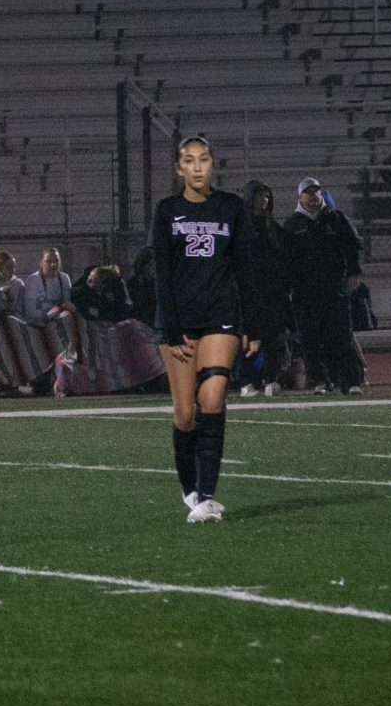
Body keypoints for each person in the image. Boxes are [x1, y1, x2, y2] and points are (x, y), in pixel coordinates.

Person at [150, 136, 261, 523]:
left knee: (212, 399)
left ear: (212, 164)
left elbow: (246, 270)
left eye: (204, 159)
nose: (198, 167)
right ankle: (191, 491)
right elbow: (161, 276)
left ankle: (208, 496)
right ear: (179, 168)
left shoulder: (231, 208)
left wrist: (252, 322)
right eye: (189, 161)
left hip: (221, 316)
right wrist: (171, 326)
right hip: (179, 321)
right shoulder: (167, 211)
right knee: (185, 414)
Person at [282, 176, 365, 395]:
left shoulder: (336, 219)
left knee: (341, 336)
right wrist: (288, 286)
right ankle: (320, 380)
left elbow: (353, 247)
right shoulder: (292, 225)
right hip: (305, 293)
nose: (313, 198)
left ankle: (350, 381)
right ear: (300, 196)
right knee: (310, 339)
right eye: (308, 193)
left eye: (316, 192)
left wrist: (354, 273)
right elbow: (286, 259)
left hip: (334, 289)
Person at [235, 180, 292, 397]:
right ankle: (246, 381)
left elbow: (284, 258)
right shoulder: (241, 226)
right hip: (250, 290)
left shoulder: (272, 227)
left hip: (272, 292)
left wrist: (284, 285)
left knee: (273, 336)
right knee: (248, 337)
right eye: (260, 195)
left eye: (267, 196)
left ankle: (272, 379)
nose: (264, 200)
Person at [20, 247, 72, 324]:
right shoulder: (33, 279)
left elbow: (67, 303)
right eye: (48, 261)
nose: (53, 264)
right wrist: (49, 315)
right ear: (41, 263)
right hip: (37, 321)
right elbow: (30, 311)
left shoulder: (64, 278)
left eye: (56, 261)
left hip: (58, 318)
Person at [126, 247, 157, 328]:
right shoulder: (133, 282)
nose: (154, 268)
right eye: (150, 265)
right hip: (139, 324)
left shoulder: (157, 283)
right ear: (143, 266)